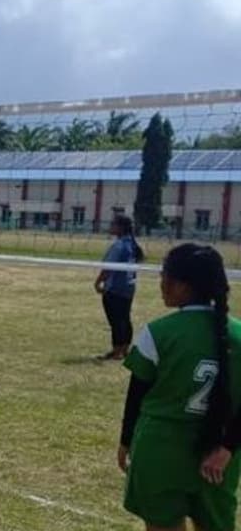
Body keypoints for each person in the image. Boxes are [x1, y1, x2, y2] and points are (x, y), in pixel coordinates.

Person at [119, 243, 241, 531]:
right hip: (219, 458)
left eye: (164, 276)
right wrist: (227, 449)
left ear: (183, 286)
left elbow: (136, 396)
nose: (161, 284)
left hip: (161, 449)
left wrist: (125, 440)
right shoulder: (237, 334)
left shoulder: (158, 333)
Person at [95, 214, 145, 361]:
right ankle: (124, 349)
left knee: (116, 320)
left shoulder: (119, 245)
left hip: (115, 289)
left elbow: (108, 268)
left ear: (120, 227)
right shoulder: (133, 245)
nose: (111, 226)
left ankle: (117, 350)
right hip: (129, 288)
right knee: (124, 318)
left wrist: (98, 282)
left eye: (113, 224)